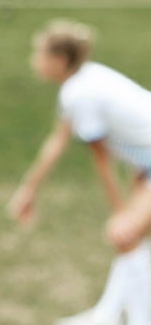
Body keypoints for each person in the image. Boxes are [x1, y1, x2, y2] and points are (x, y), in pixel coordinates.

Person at [8, 20, 151, 325]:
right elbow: (57, 142)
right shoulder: (83, 82)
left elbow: (102, 160)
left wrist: (120, 212)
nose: (35, 61)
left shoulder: (79, 94)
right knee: (131, 240)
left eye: (40, 54)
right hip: (146, 163)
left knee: (124, 234)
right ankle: (108, 316)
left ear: (59, 60)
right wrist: (28, 190)